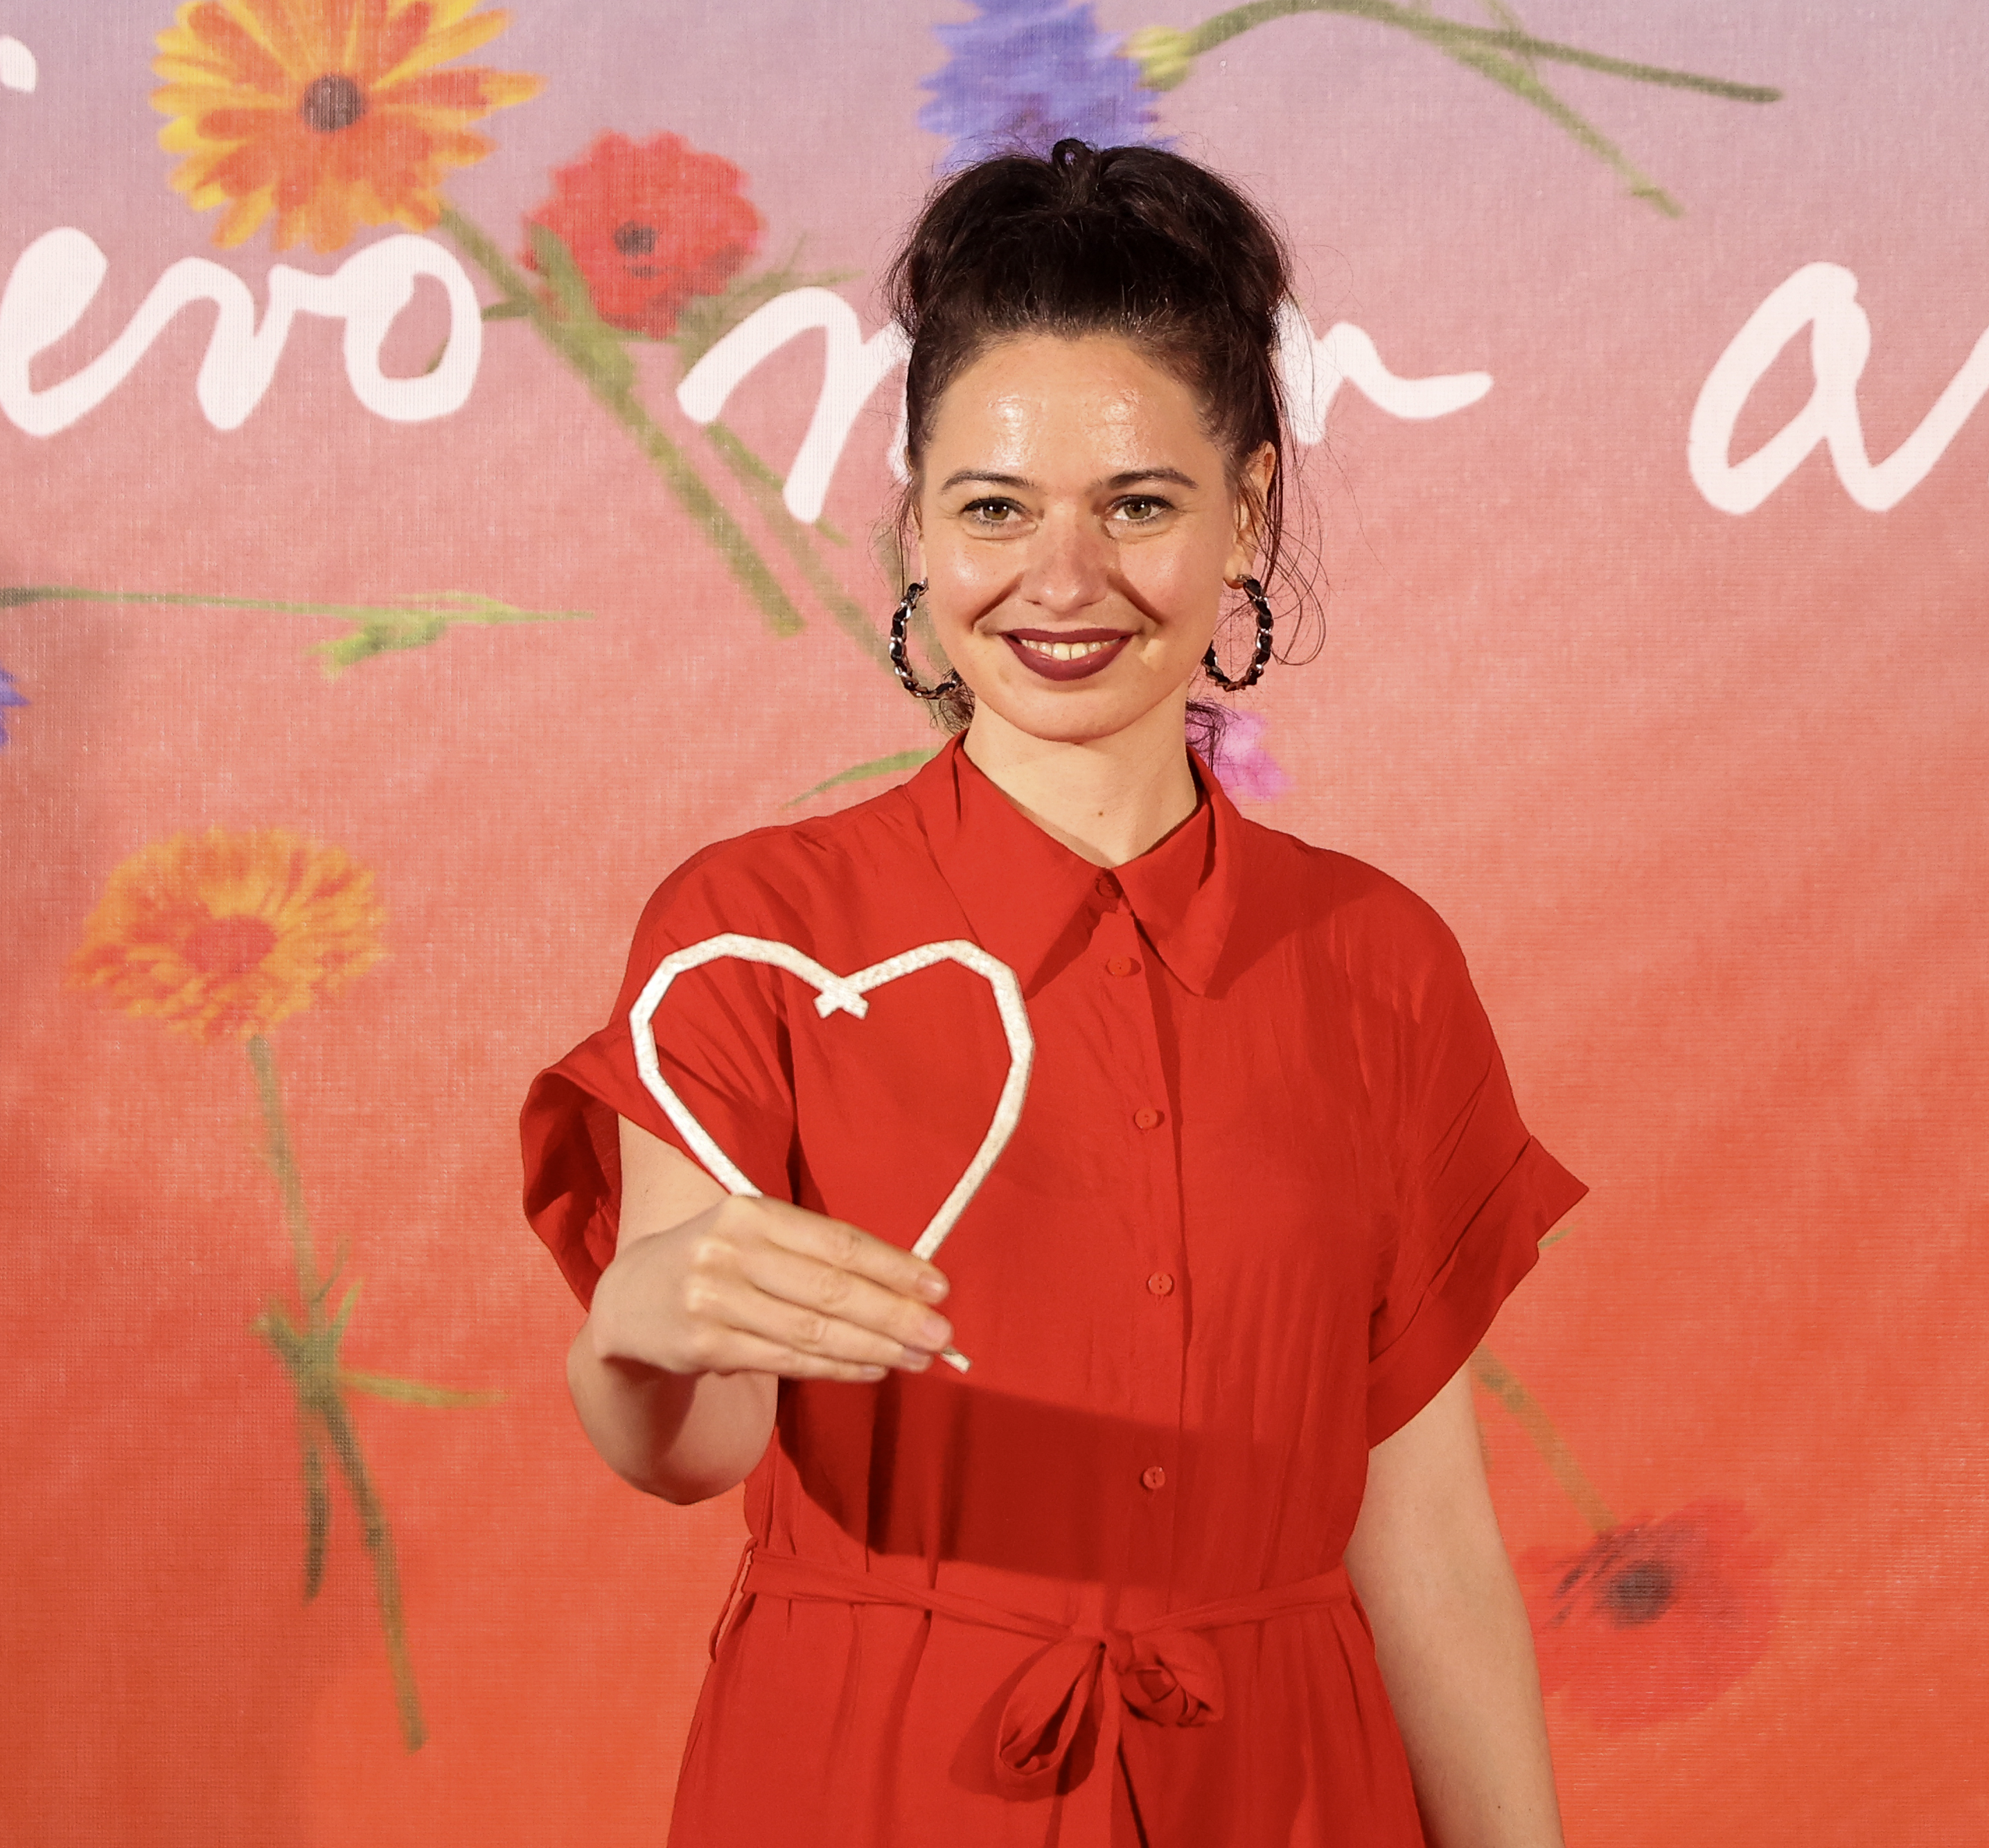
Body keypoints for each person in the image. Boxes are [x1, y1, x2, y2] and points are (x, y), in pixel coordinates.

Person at [521, 139, 1586, 1847]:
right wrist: (641, 1319)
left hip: (1286, 1780)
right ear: (915, 520)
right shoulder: (752, 929)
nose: (1062, 579)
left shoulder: (1378, 961)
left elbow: (1425, 1527)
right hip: (873, 1775)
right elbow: (689, 1438)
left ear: (1246, 509)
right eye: (994, 508)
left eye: (1139, 505)